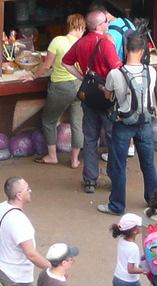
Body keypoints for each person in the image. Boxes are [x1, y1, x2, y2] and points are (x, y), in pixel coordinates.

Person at [61, 10, 122, 195]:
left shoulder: (81, 42)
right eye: (105, 21)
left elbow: (66, 62)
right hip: (107, 98)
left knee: (90, 139)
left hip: (89, 97)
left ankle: (89, 180)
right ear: (99, 26)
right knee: (113, 140)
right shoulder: (106, 44)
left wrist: (83, 77)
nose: (108, 22)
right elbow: (117, 71)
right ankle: (115, 178)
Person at [99, 33, 157, 216]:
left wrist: (103, 88)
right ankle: (153, 202)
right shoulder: (152, 71)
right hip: (145, 123)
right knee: (148, 165)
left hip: (123, 123)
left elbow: (108, 96)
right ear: (142, 51)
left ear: (125, 50)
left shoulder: (115, 74)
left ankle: (117, 205)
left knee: (119, 165)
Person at [37, 13, 85, 168]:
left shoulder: (58, 41)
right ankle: (75, 160)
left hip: (61, 87)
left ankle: (52, 156)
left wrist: (32, 76)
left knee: (49, 120)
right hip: (79, 85)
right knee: (77, 123)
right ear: (81, 28)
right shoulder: (84, 43)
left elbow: (46, 66)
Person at [0, 176, 52, 286]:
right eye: (27, 189)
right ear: (19, 196)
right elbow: (31, 254)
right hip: (17, 276)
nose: (30, 190)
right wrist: (53, 269)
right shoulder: (20, 221)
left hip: (1, 268)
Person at [111, 213, 146, 286]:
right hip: (129, 282)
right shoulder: (134, 248)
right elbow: (131, 270)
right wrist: (146, 270)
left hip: (117, 278)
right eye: (139, 225)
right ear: (134, 231)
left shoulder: (121, 240)